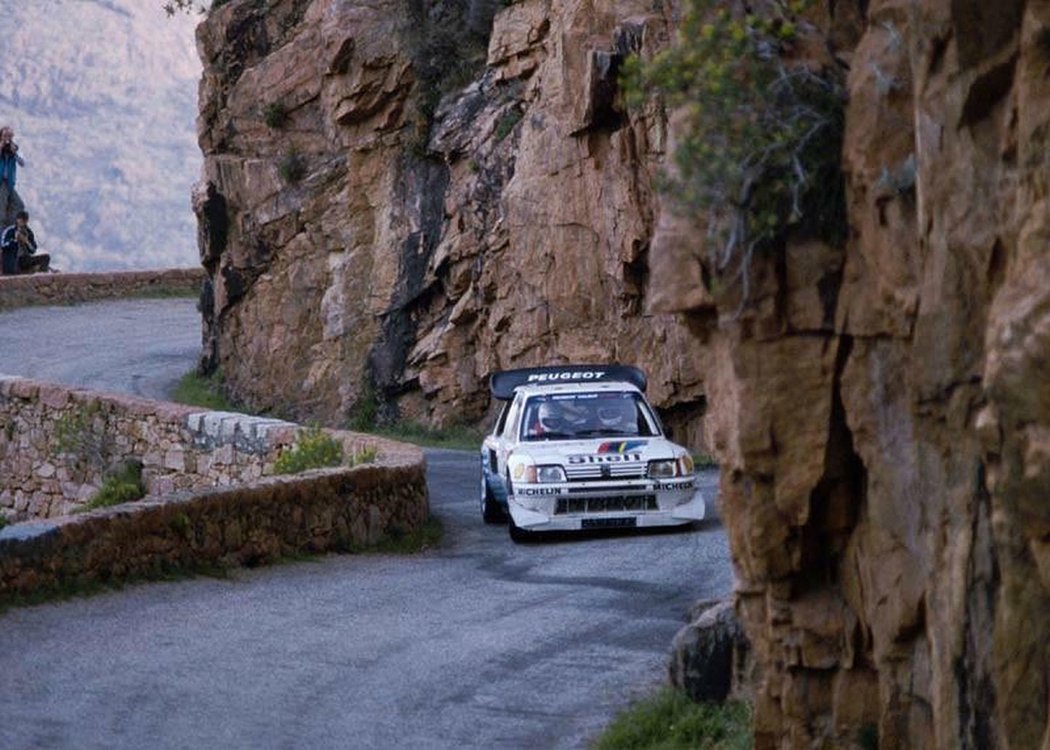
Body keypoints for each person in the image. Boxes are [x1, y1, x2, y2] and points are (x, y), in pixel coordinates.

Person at [0, 126, 26, 228]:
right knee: (1, 209)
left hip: (9, 184)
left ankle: (8, 226)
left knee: (19, 205)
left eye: (10, 136)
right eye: (5, 135)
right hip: (1, 183)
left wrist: (14, 152)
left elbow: (22, 162)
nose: (8, 138)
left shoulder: (14, 149)